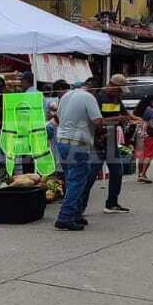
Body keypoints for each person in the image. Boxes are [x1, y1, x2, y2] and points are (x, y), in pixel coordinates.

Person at [54, 75, 102, 230]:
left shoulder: (66, 95)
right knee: (78, 180)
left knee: (72, 178)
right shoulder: (89, 97)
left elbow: (59, 118)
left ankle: (75, 214)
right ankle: (65, 217)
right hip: (78, 144)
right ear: (94, 88)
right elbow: (97, 121)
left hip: (62, 141)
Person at [92, 74, 133, 214]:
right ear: (113, 86)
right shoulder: (98, 98)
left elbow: (125, 113)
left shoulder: (117, 98)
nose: (121, 93)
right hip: (97, 140)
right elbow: (96, 121)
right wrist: (118, 118)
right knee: (90, 174)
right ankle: (79, 206)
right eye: (119, 90)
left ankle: (112, 203)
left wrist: (132, 118)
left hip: (111, 139)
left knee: (117, 171)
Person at [136, 89, 153, 181]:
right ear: (151, 102)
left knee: (142, 156)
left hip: (140, 135)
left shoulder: (140, 110)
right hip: (149, 136)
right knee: (149, 155)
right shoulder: (150, 111)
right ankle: (143, 174)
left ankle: (139, 174)